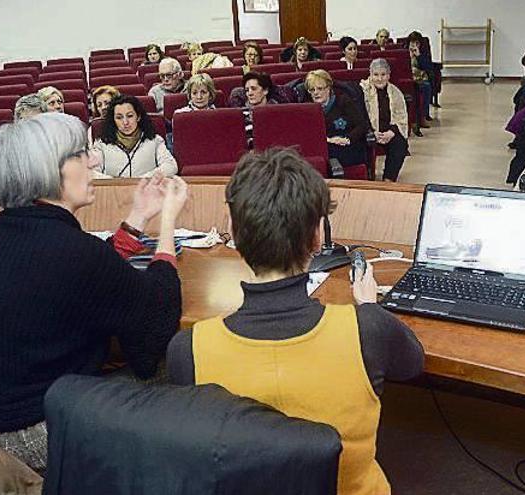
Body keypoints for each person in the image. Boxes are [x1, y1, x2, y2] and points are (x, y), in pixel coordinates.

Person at [165, 147, 424, 495]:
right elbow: (412, 365)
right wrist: (370, 307)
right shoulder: (369, 328)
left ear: (234, 234)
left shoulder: (188, 349)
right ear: (318, 236)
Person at [0, 112, 187, 473]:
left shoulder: (8, 229)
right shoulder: (71, 249)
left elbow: (89, 277)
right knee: (183, 356)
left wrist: (139, 216)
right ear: (52, 171)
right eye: (82, 153)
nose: (94, 160)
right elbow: (157, 319)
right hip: (33, 433)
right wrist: (168, 222)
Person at [92, 94, 178, 178]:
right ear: (113, 120)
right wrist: (114, 183)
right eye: (119, 117)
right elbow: (90, 171)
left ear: (138, 117)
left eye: (130, 116)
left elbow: (170, 166)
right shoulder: (101, 144)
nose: (125, 122)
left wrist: (144, 179)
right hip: (112, 191)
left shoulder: (155, 141)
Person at [305, 69, 367, 169]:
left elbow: (362, 125)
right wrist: (328, 140)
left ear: (328, 88)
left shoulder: (343, 101)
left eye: (320, 89)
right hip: (324, 147)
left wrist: (347, 139)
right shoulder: (307, 107)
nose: (316, 93)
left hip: (347, 146)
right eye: (312, 90)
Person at [361, 58, 409, 182]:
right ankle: (368, 177)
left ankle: (389, 179)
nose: (379, 78)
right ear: (370, 75)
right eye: (375, 75)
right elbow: (359, 116)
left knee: (400, 144)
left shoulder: (395, 92)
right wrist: (372, 131)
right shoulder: (362, 91)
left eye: (383, 75)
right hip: (368, 130)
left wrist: (391, 132)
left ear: (388, 75)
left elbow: (401, 116)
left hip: (388, 130)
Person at [408, 31, 434, 136]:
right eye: (412, 43)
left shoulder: (423, 53)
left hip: (421, 78)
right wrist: (409, 57)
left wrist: (419, 56)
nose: (414, 45)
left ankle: (423, 116)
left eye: (417, 43)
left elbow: (428, 67)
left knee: (426, 86)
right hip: (409, 77)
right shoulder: (403, 51)